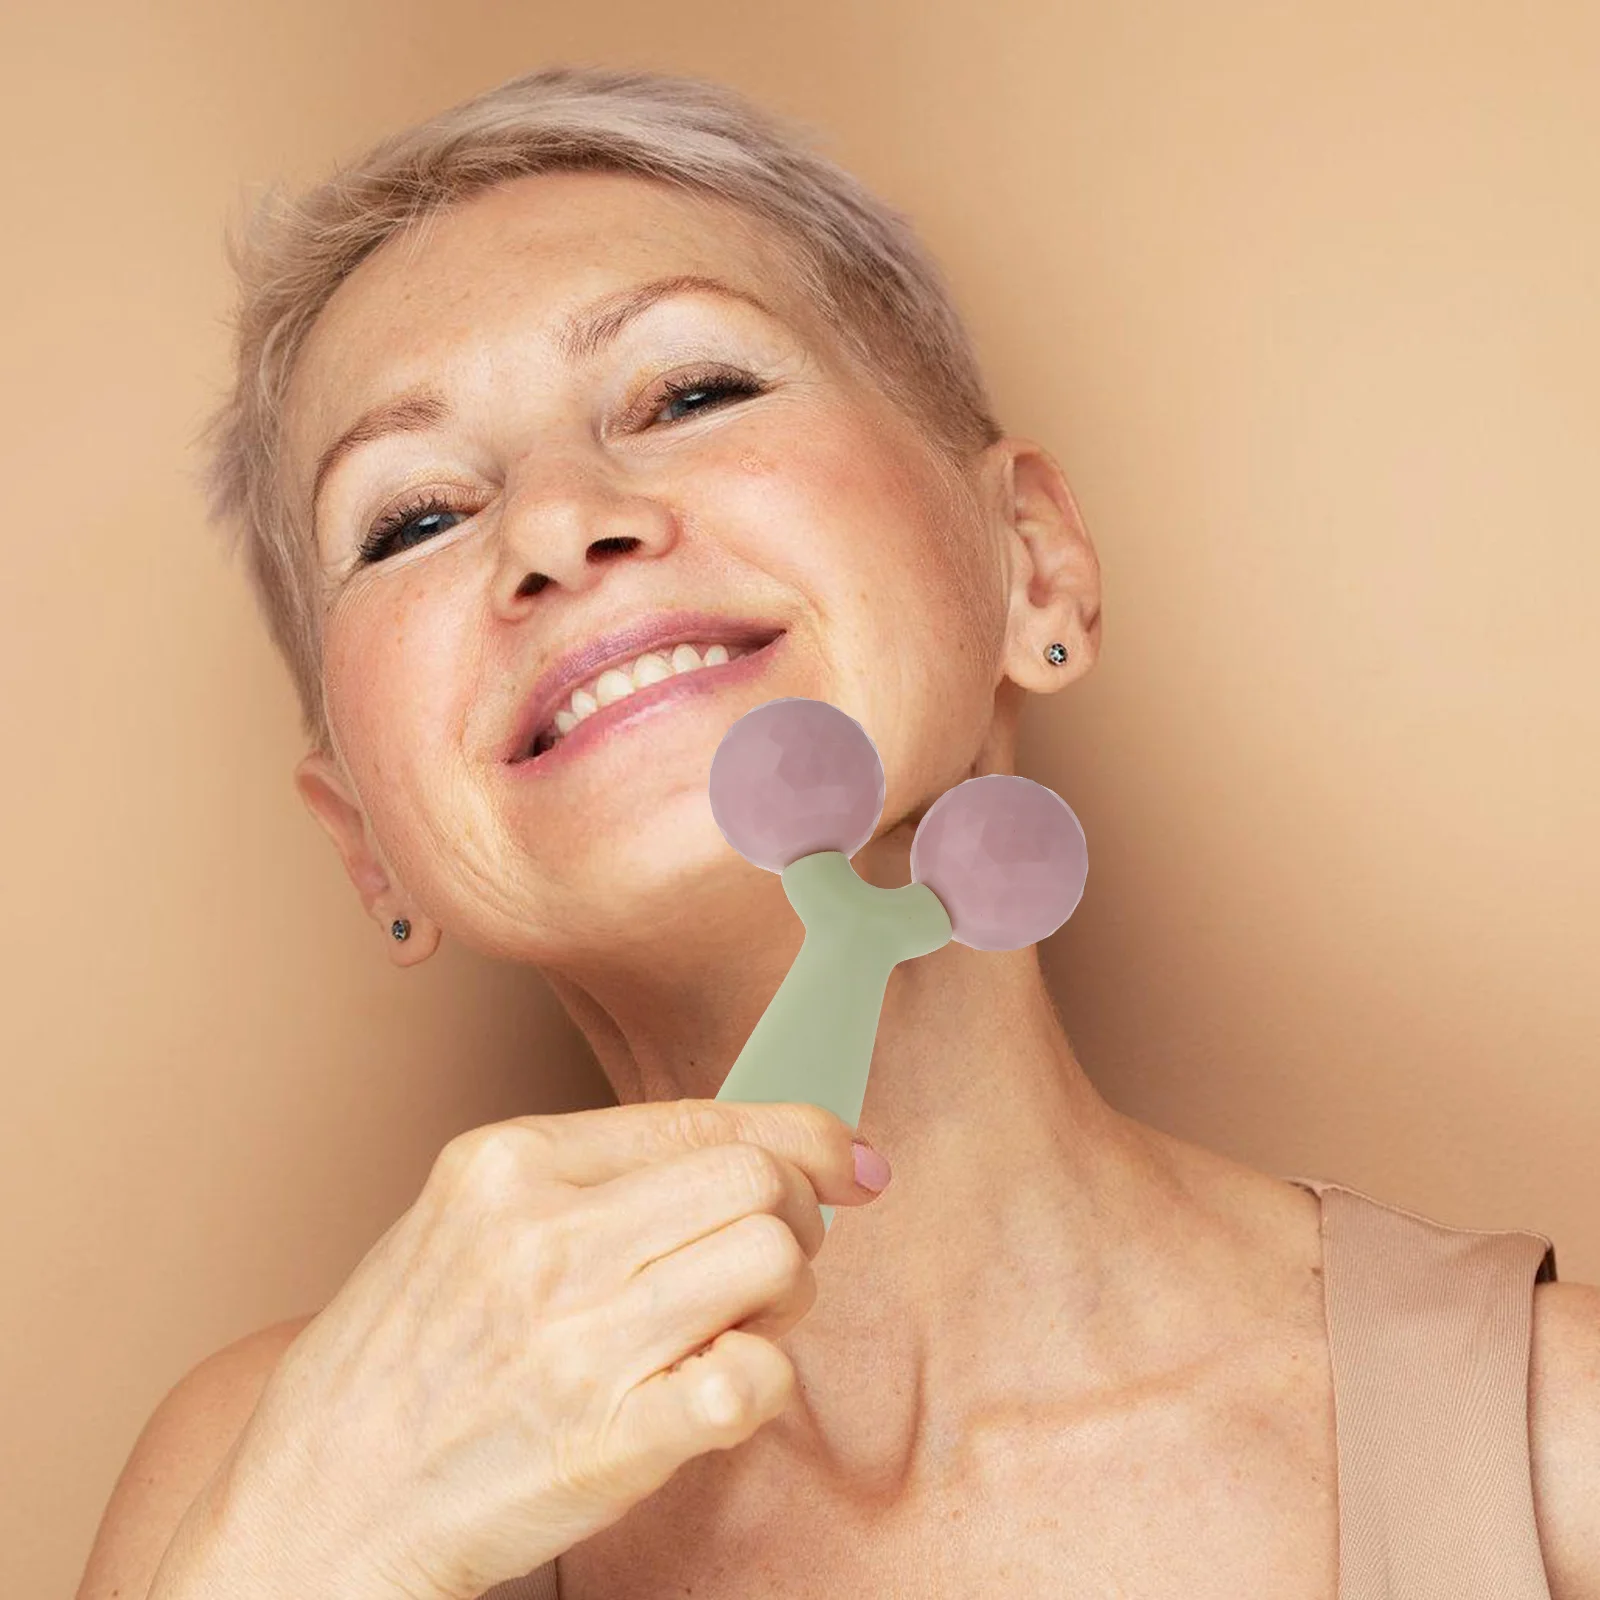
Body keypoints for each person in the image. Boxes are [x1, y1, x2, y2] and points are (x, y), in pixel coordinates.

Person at [76, 64, 1597, 1600]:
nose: (552, 526)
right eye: (410, 517)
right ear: (367, 848)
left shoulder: (1557, 1447)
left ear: (1033, 571)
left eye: (691, 392)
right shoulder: (253, 1477)